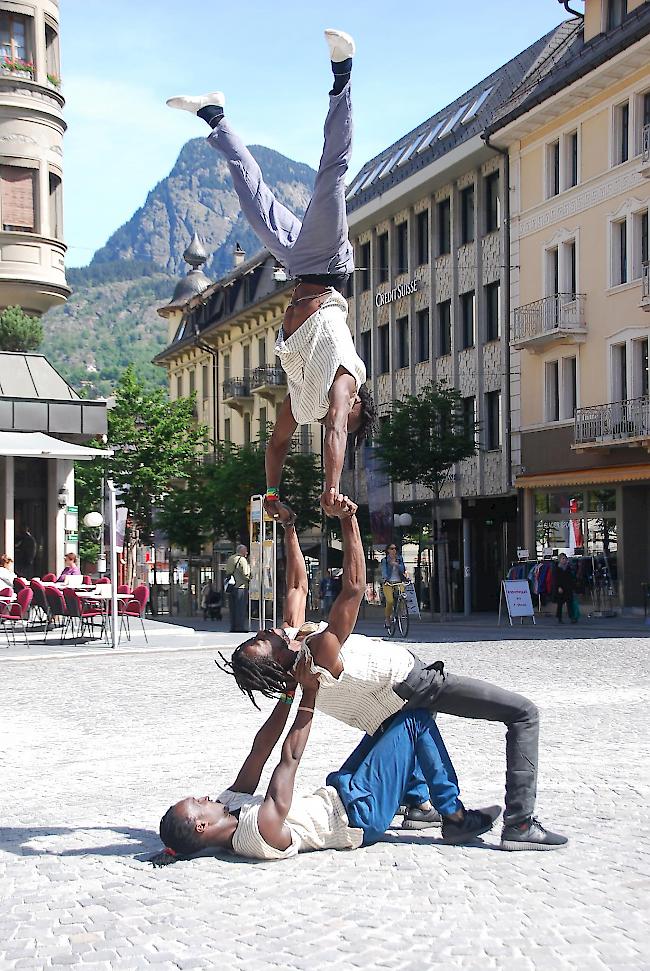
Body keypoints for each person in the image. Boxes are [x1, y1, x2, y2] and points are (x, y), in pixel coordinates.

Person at [156, 502, 499, 864]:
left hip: (342, 790)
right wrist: (308, 695)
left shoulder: (230, 805)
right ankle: (455, 815)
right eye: (197, 803)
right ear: (200, 828)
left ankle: (418, 801)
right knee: (414, 719)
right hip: (361, 815)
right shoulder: (257, 832)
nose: (204, 797)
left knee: (393, 724)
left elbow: (261, 748)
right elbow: (288, 758)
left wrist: (288, 693)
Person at [224, 503, 568, 851]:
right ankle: (519, 824)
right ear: (276, 662)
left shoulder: (295, 645)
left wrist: (290, 527)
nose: (264, 632)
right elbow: (354, 588)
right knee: (523, 713)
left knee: (414, 722)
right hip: (414, 685)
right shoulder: (316, 657)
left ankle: (418, 803)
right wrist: (348, 520)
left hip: (392, 706)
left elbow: (297, 585)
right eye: (260, 641)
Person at [166, 29, 376, 517]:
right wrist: (330, 487)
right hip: (326, 264)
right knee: (332, 174)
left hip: (298, 265)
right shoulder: (347, 380)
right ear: (360, 403)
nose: (340, 412)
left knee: (251, 197)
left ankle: (214, 115)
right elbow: (338, 427)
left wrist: (274, 496)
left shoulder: (304, 404)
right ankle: (343, 74)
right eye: (351, 413)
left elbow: (277, 444)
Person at [380, 543, 410, 630]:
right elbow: (384, 571)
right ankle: (387, 619)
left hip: (398, 581)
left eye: (395, 548)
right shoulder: (385, 560)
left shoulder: (399, 559)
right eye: (392, 548)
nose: (394, 550)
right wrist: (385, 580)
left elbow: (403, 569)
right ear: (388, 550)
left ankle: (400, 612)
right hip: (388, 583)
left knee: (402, 596)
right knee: (389, 601)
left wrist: (396, 564)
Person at [224, 545, 250, 633]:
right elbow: (246, 574)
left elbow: (228, 571)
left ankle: (233, 626)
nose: (247, 553)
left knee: (233, 608)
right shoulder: (242, 560)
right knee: (240, 608)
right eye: (246, 551)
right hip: (240, 587)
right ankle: (240, 627)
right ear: (242, 551)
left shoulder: (231, 558)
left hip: (231, 587)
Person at [553, 553, 576, 624]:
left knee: (570, 603)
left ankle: (572, 617)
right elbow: (556, 579)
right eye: (562, 559)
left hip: (568, 587)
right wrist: (558, 587)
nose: (564, 560)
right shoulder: (557, 568)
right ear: (559, 560)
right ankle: (559, 617)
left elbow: (571, 578)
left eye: (565, 558)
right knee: (560, 604)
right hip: (561, 588)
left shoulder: (568, 568)